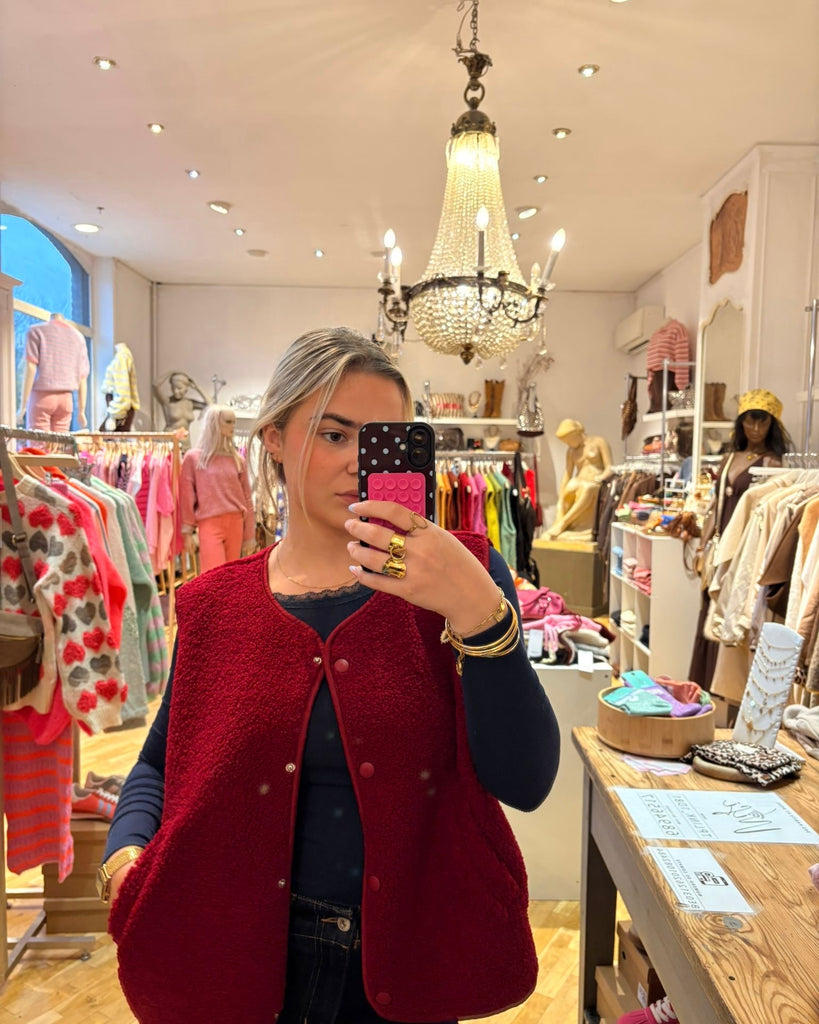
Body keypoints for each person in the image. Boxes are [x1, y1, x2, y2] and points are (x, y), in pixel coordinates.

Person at [99, 327, 561, 1024]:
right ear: (275, 439)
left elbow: (525, 782)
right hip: (234, 957)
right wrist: (123, 857)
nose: (356, 464)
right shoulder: (215, 604)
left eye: (383, 442)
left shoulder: (463, 575)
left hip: (410, 963)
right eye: (335, 435)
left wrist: (477, 612)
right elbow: (162, 761)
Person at [689, 388, 792, 688]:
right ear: (741, 422)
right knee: (710, 608)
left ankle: (725, 688)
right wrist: (702, 544)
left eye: (763, 421)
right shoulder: (728, 458)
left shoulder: (772, 463)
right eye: (750, 420)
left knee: (732, 609)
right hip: (720, 544)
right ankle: (704, 683)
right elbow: (715, 505)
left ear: (772, 424)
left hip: (745, 546)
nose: (756, 428)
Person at [179, 404, 256, 571]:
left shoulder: (238, 460)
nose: (233, 426)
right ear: (214, 423)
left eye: (234, 422)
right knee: (213, 574)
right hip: (209, 523)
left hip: (235, 522)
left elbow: (247, 498)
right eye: (228, 421)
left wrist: (250, 535)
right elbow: (186, 496)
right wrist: (187, 532)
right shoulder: (194, 458)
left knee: (231, 575)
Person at [16, 313, 89, 430]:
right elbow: (83, 377)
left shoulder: (36, 331)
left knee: (39, 440)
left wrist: (23, 406)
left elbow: (31, 367)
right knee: (60, 440)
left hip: (41, 397)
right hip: (66, 399)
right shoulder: (78, 337)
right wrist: (81, 410)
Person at [545, 418, 613, 541]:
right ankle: (561, 523)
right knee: (570, 486)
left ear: (576, 433)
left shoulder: (599, 442)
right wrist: (561, 496)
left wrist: (600, 478)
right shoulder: (571, 451)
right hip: (580, 480)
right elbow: (567, 474)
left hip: (596, 483)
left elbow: (609, 468)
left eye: (569, 440)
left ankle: (564, 523)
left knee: (587, 488)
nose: (568, 444)